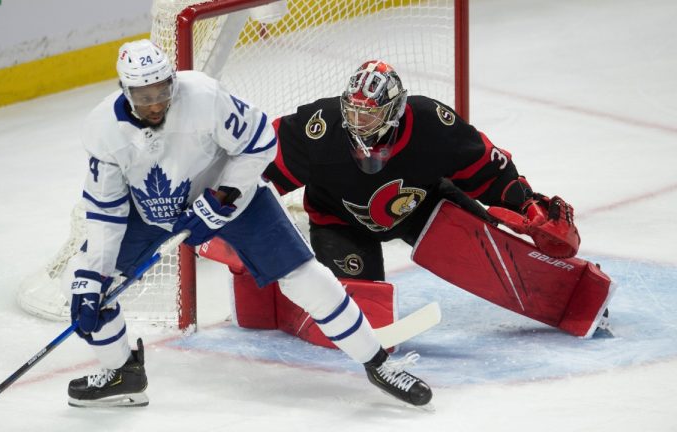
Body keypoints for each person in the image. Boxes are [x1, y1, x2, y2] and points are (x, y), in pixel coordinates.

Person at [61, 40, 433, 409]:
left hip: (233, 198)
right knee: (79, 281)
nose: (156, 104)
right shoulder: (103, 129)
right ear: (125, 91)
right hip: (150, 210)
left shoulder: (203, 96)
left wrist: (223, 196)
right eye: (144, 97)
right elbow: (106, 212)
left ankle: (378, 363)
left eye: (162, 91)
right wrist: (94, 277)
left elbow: (260, 142)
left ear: (173, 81)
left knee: (307, 278)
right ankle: (122, 372)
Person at [251, 60, 611, 339]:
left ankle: (569, 292)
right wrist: (235, 208)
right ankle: (273, 302)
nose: (359, 122)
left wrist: (527, 205)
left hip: (425, 208)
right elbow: (260, 163)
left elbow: (487, 166)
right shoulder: (321, 127)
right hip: (339, 222)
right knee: (362, 310)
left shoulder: (432, 123)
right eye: (354, 111)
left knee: (496, 250)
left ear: (395, 109)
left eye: (370, 113)